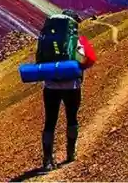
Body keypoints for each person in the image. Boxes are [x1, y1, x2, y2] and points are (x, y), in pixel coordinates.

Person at [39, 9, 96, 172]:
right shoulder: (77, 40)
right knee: (72, 118)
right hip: (72, 86)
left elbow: (39, 58)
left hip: (50, 86)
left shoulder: (46, 38)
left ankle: (47, 160)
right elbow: (87, 60)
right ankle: (70, 154)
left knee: (50, 121)